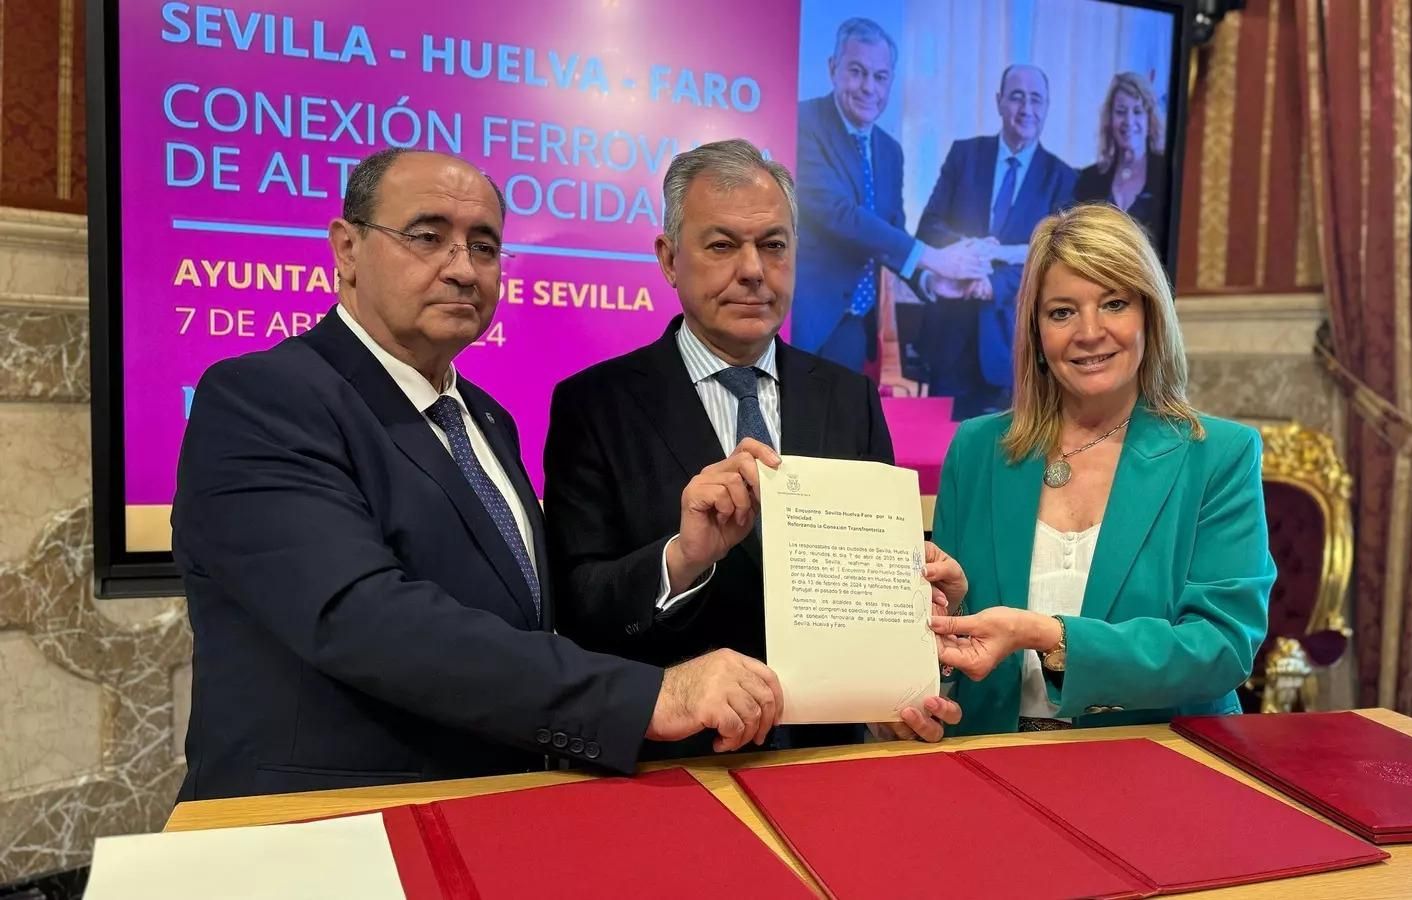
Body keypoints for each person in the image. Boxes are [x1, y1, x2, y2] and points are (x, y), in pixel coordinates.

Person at [172, 148, 788, 802]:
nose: (463, 269)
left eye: (485, 247)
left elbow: (535, 621)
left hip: (489, 818)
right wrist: (649, 696)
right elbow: (364, 618)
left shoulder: (486, 421)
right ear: (346, 249)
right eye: (428, 237)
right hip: (322, 834)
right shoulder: (262, 398)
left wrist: (684, 556)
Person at [545, 139, 962, 757]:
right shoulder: (594, 405)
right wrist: (680, 559)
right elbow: (577, 608)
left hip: (832, 761)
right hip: (673, 768)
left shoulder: (850, 398)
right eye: (721, 245)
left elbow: (876, 586)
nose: (753, 269)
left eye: (773, 244)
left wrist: (922, 629)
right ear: (668, 258)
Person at [927, 203, 1273, 734]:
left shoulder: (1219, 455)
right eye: (1062, 312)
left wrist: (1049, 636)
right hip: (989, 758)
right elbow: (953, 643)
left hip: (1160, 765)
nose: (1089, 332)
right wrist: (948, 613)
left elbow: (1221, 648)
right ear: (1037, 332)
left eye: (1114, 303)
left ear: (1149, 315)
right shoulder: (977, 450)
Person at [791, 16, 990, 372]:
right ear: (833, 68)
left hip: (854, 327)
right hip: (802, 320)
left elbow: (891, 231)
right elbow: (839, 213)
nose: (869, 87)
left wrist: (931, 279)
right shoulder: (802, 122)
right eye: (856, 71)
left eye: (880, 77)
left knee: (839, 427)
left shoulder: (890, 151)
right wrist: (934, 257)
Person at [916, 63, 1078, 419]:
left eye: (1036, 99)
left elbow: (1056, 259)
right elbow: (929, 226)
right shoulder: (964, 155)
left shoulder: (1063, 177)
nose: (1026, 108)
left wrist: (993, 283)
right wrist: (970, 255)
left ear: (1047, 106)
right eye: (1017, 97)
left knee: (1004, 461)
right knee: (946, 458)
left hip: (1012, 345)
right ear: (999, 101)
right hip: (951, 338)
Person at [1072, 73, 1169, 237]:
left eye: (1137, 111)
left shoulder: (1167, 175)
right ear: (1110, 119)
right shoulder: (1088, 179)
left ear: (1149, 119)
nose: (1129, 121)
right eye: (1121, 111)